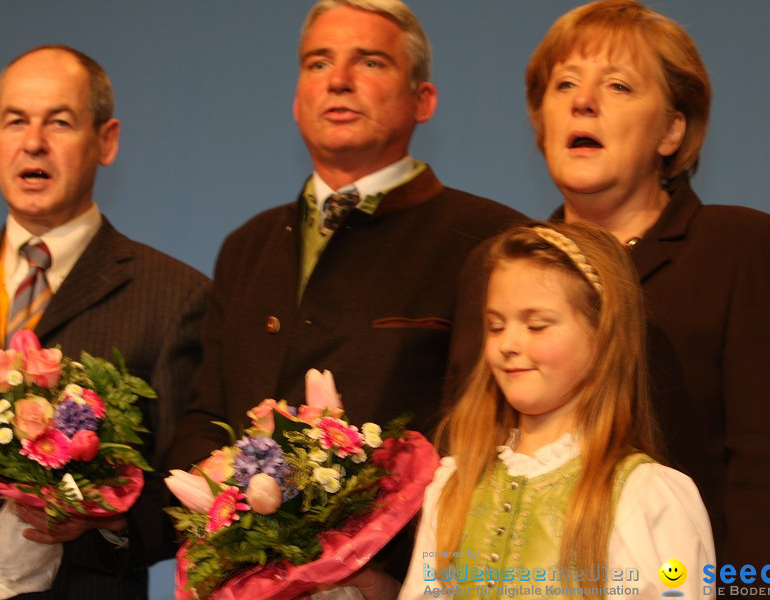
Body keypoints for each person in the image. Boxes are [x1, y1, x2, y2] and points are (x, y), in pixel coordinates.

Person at [167, 0, 524, 589]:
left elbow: (484, 436)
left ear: (423, 100)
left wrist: (380, 564)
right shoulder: (247, 245)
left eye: (371, 62)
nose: (338, 80)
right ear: (295, 101)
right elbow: (206, 417)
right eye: (317, 63)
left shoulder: (488, 240)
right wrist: (219, 531)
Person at [523, 0, 770, 586]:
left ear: (672, 129)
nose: (583, 102)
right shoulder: (500, 267)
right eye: (564, 85)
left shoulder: (739, 248)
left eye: (618, 85)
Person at [0, 46, 209, 598]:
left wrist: (110, 522)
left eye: (58, 122)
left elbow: (190, 493)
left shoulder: (174, 297)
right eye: (16, 121)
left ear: (106, 141)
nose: (33, 142)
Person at [398, 222, 715, 599]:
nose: (508, 344)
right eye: (496, 326)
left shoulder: (644, 496)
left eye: (537, 325)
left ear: (603, 336)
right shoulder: (455, 485)